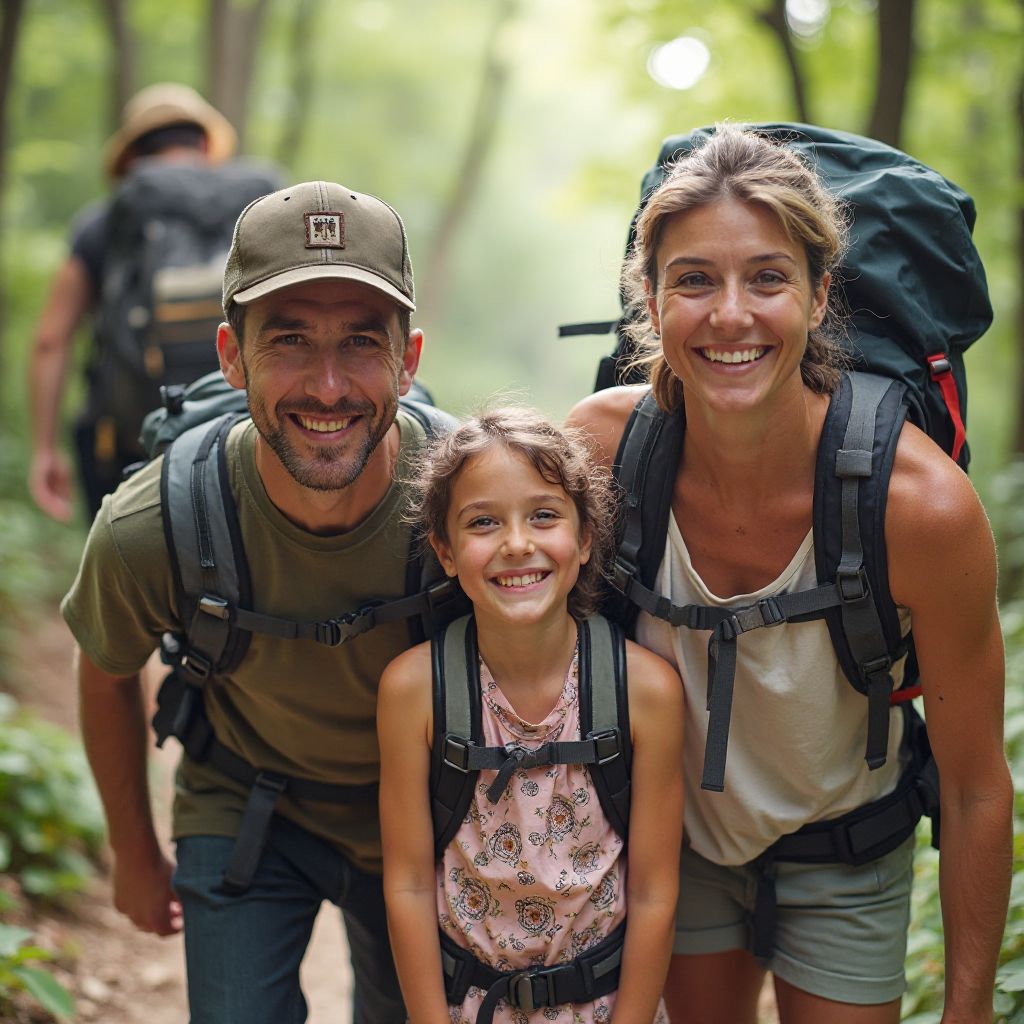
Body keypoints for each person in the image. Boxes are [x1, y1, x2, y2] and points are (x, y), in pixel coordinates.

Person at [567, 125, 1011, 1023]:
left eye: (767, 277)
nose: (731, 314)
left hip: (849, 846)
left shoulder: (919, 507)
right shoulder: (600, 454)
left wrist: (966, 1012)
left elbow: (974, 785)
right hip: (672, 844)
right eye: (694, 280)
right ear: (649, 303)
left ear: (818, 298)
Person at [61, 179, 436, 1024]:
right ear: (231, 357)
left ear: (410, 361)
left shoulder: (470, 504)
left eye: (362, 343)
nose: (329, 386)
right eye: (291, 340)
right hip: (244, 805)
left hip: (424, 819)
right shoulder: (155, 522)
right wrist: (132, 851)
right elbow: (104, 672)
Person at [377, 407, 684, 1023]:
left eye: (543, 516)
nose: (517, 544)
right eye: (484, 522)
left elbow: (654, 893)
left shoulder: (644, 691)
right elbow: (408, 882)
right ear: (445, 549)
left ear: (586, 537)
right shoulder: (415, 691)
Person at [28, 82, 277, 521]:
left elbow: (51, 339)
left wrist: (45, 450)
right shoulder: (259, 210)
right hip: (249, 439)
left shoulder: (105, 224)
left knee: (128, 576)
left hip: (131, 446)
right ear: (203, 143)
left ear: (131, 157)